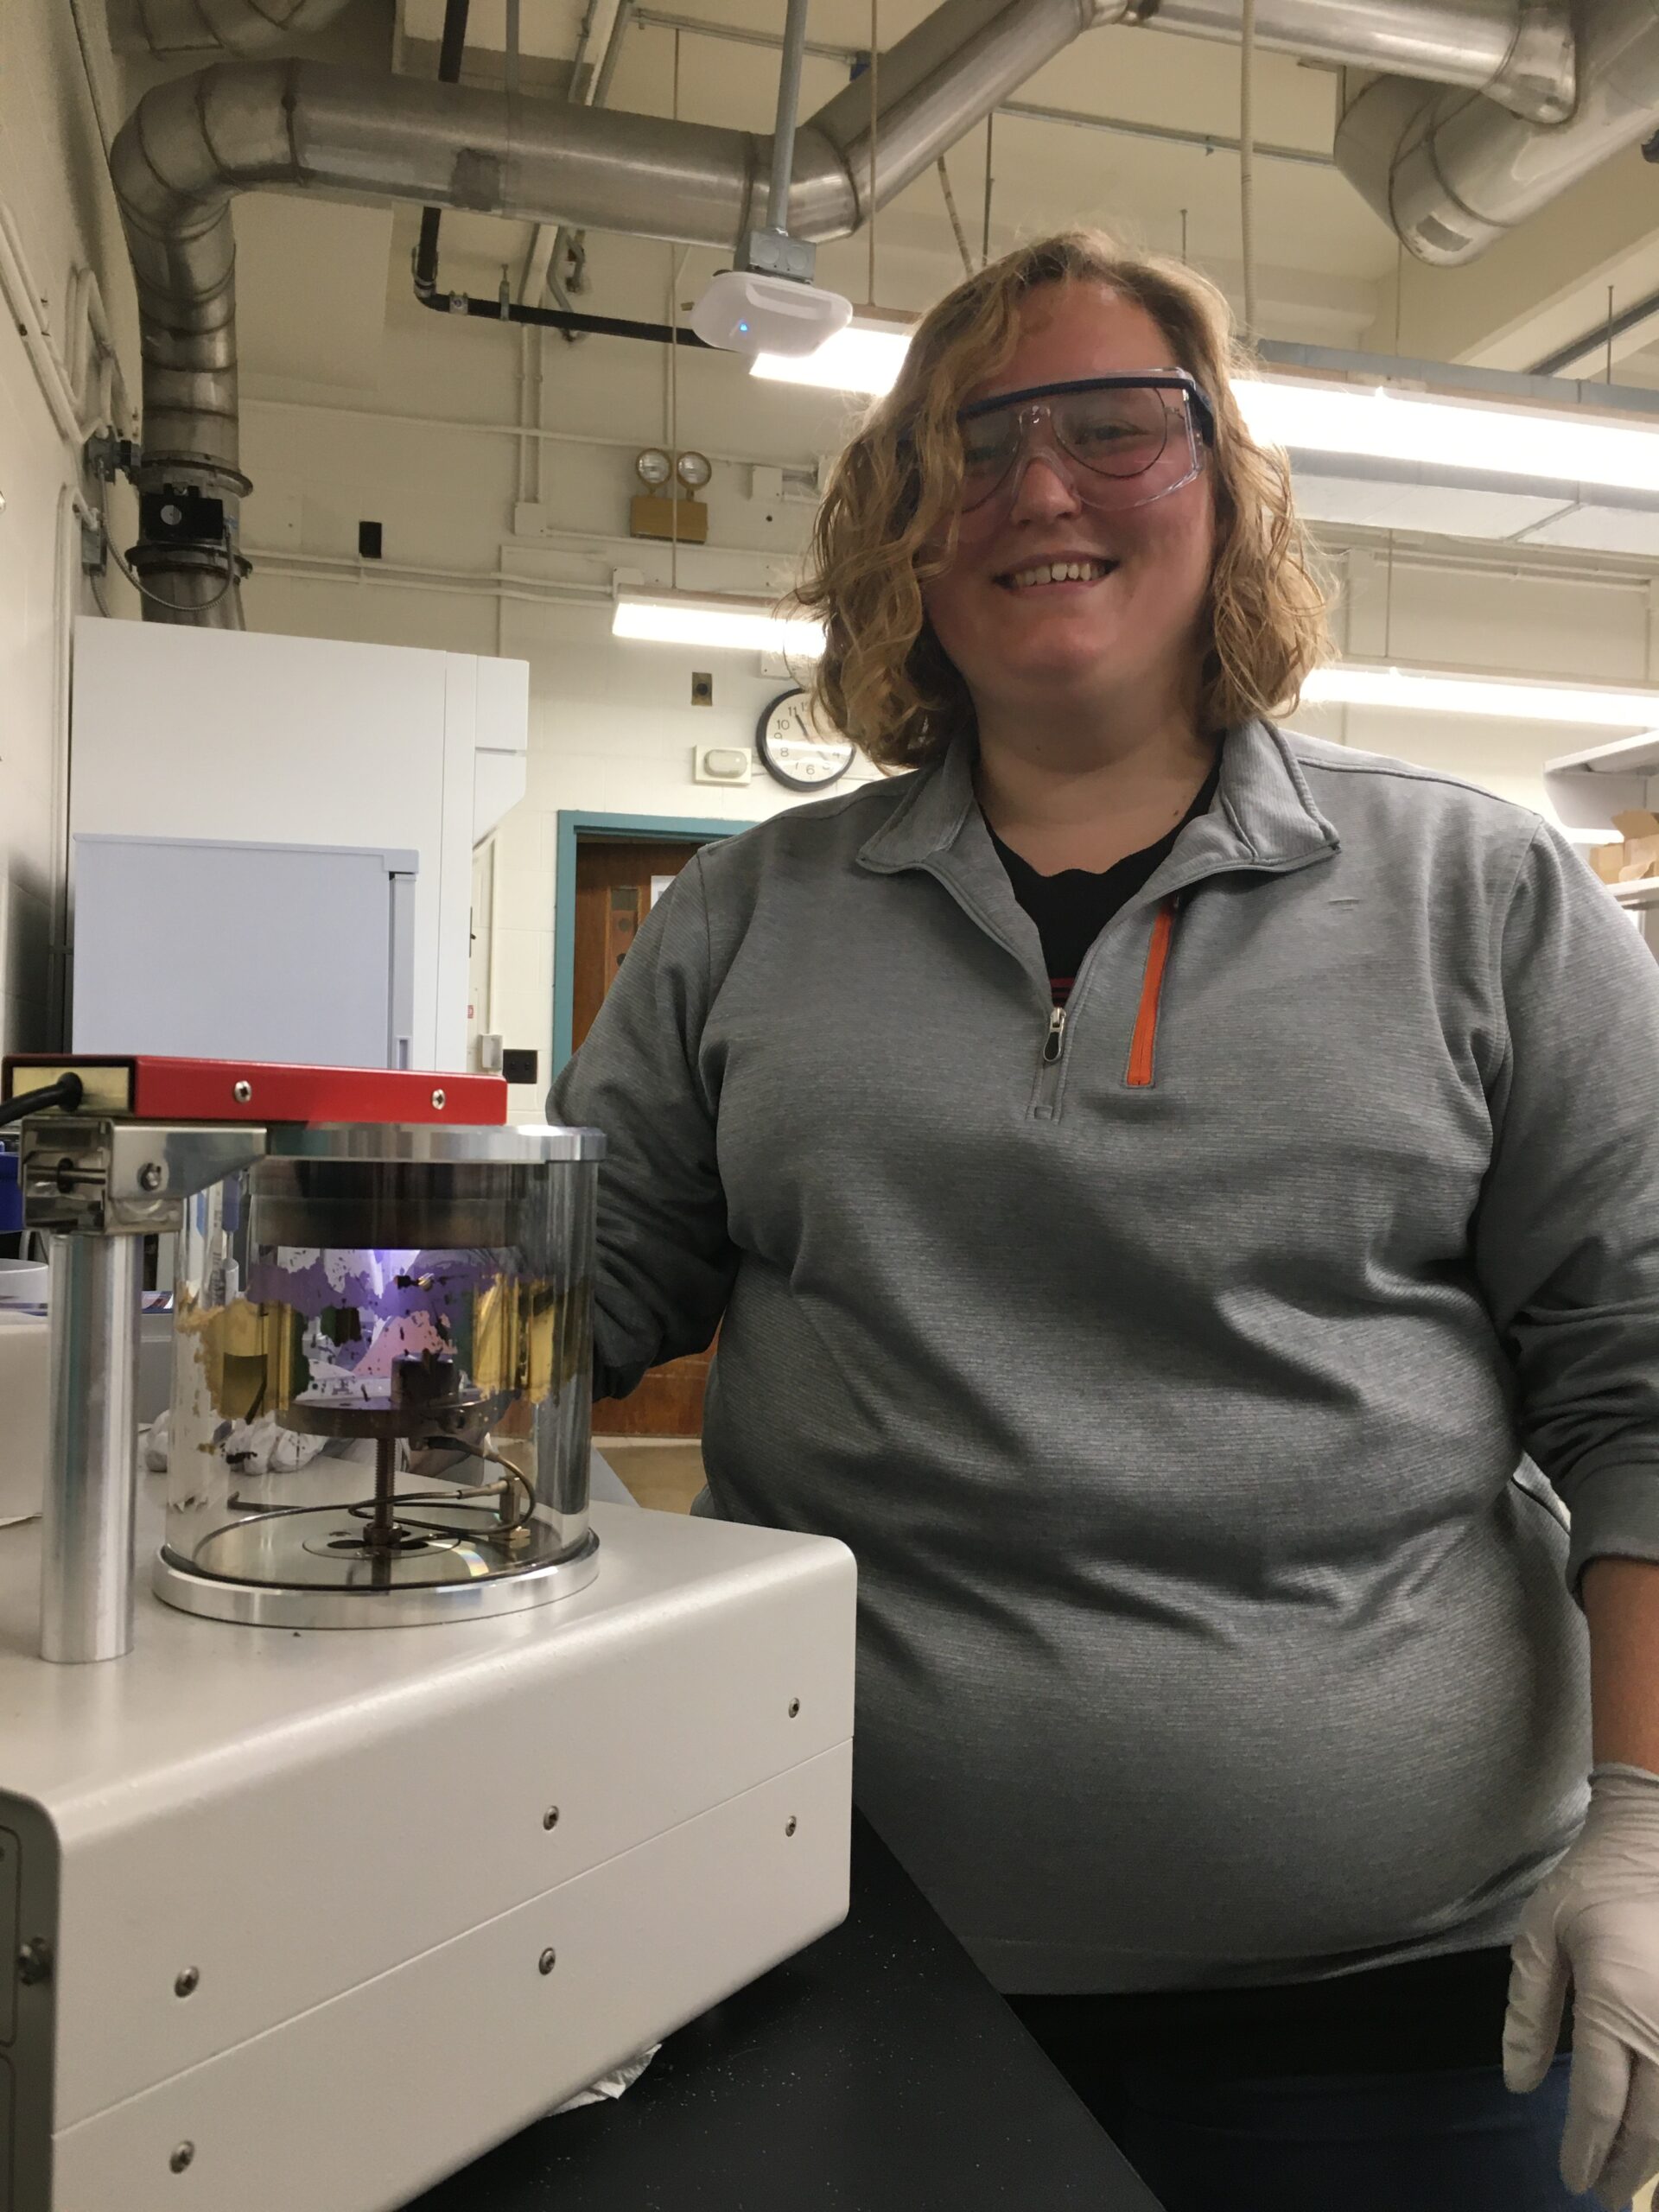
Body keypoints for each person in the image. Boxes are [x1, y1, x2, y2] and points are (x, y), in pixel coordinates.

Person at [550, 229, 1659, 2211]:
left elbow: (1642, 1381)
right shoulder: (746, 916)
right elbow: (571, 1308)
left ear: (1226, 487)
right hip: (835, 1947)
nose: (1039, 488)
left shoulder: (1474, 895)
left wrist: (1646, 1823)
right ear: (899, 534)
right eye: (968, 451)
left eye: (1117, 429)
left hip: (1407, 2007)